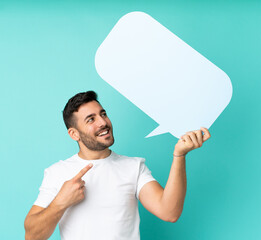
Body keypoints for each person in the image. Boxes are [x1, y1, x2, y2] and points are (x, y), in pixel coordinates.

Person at [24, 91, 211, 240]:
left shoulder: (133, 167)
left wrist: (179, 155)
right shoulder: (58, 172)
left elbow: (169, 212)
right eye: (91, 119)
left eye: (103, 114)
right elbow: (32, 236)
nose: (103, 122)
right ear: (74, 134)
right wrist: (61, 202)